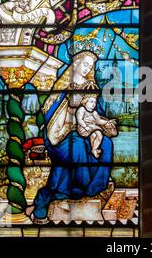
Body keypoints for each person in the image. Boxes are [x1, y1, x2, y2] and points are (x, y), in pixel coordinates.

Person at [26, 51, 116, 224]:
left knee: (107, 144)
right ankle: (74, 190)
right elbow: (49, 112)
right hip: (60, 136)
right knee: (77, 148)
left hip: (85, 132)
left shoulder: (91, 86)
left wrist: (105, 124)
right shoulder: (63, 86)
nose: (87, 68)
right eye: (85, 64)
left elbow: (96, 113)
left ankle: (93, 188)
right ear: (75, 63)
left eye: (90, 66)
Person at [76, 93, 117, 159]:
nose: (93, 104)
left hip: (92, 128)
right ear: (85, 102)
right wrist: (85, 126)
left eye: (95, 102)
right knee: (99, 134)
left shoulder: (94, 112)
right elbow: (79, 120)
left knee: (94, 136)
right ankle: (94, 149)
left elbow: (99, 121)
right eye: (91, 102)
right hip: (83, 128)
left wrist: (107, 122)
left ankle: (94, 149)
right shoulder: (81, 109)